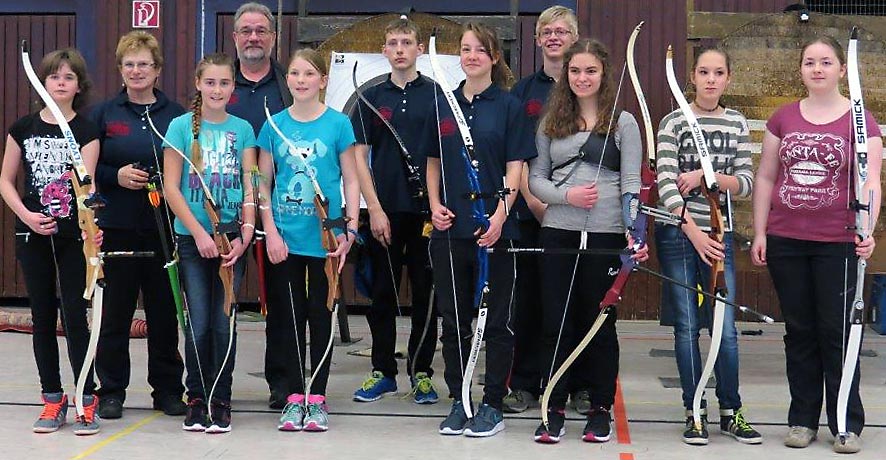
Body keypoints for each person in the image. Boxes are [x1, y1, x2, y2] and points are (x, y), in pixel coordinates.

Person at [751, 36, 882, 454]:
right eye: (810, 62)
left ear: (842, 70)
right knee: (801, 331)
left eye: (826, 62)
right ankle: (802, 420)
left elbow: (872, 182)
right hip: (787, 239)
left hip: (838, 242)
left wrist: (868, 229)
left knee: (839, 333)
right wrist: (760, 232)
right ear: (801, 70)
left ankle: (846, 422)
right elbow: (767, 177)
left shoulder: (863, 121)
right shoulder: (783, 118)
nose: (818, 69)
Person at [529, 39, 647, 444]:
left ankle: (599, 408)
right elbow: (536, 180)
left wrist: (634, 229)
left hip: (605, 232)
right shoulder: (550, 122)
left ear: (603, 74)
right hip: (559, 230)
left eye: (590, 71)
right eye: (575, 71)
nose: (582, 78)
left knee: (599, 322)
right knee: (556, 321)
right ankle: (553, 406)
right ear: (567, 74)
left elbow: (632, 182)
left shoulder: (623, 122)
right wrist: (567, 197)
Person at [425, 22, 533, 438]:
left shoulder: (508, 106)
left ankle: (491, 403)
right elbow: (433, 161)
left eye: (479, 50)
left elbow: (515, 166)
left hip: (496, 231)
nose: (471, 56)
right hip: (450, 231)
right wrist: (435, 206)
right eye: (465, 49)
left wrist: (501, 215)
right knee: (453, 320)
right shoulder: (444, 105)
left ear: (494, 57)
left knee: (497, 321)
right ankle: (460, 398)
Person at [656, 47, 762, 446]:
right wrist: (692, 231)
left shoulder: (735, 123)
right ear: (693, 76)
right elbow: (666, 182)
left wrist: (707, 174)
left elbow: (746, 182)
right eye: (704, 71)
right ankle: (694, 408)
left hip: (720, 235)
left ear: (728, 78)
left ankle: (731, 411)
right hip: (680, 234)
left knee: (725, 329)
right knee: (686, 328)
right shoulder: (673, 122)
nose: (711, 79)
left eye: (719, 73)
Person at [256, 48, 360, 432]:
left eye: (309, 73)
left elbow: (350, 178)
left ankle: (317, 397)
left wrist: (348, 228)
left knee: (321, 316)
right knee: (288, 318)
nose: (300, 80)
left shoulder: (338, 125)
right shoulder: (273, 126)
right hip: (285, 237)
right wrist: (270, 232)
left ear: (322, 80)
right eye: (295, 73)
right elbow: (262, 183)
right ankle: (293, 397)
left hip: (326, 237)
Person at [0, 48, 102, 435]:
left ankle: (84, 400)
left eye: (68, 77)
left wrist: (91, 224)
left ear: (79, 86)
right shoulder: (22, 128)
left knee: (77, 317)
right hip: (32, 230)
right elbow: (5, 181)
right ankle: (51, 400)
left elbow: (86, 186)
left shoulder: (87, 130)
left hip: (73, 232)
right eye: (54, 76)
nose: (61, 82)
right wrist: (26, 215)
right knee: (42, 317)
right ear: (43, 83)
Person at [90, 30, 186, 420]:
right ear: (120, 69)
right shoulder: (103, 114)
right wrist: (116, 177)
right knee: (116, 314)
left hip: (163, 228)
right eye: (129, 64)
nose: (136, 70)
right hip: (117, 228)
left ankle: (167, 390)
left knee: (164, 314)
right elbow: (87, 166)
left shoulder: (176, 115)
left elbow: (185, 165)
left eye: (143, 63)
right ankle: (111, 391)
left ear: (157, 69)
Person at [162, 53, 256, 434]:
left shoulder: (244, 129)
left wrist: (247, 232)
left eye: (225, 83)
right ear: (199, 84)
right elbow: (171, 187)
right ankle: (197, 397)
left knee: (224, 324)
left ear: (233, 87)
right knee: (198, 324)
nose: (218, 89)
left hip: (232, 240)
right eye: (211, 82)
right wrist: (198, 233)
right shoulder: (181, 127)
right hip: (192, 241)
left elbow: (252, 183)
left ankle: (222, 398)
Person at [350, 15, 439, 405]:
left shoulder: (438, 95)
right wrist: (375, 208)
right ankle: (382, 372)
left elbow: (443, 156)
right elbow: (359, 158)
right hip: (385, 214)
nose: (400, 49)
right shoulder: (372, 97)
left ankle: (421, 372)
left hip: (426, 216)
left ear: (419, 48)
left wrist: (437, 206)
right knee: (382, 296)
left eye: (407, 42)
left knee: (426, 297)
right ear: (384, 50)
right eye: (393, 43)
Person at [504, 4, 580, 415]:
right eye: (546, 31)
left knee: (576, 300)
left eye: (562, 31)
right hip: (530, 212)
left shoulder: (586, 86)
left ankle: (581, 384)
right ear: (537, 40)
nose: (554, 37)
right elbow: (517, 153)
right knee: (528, 301)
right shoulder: (521, 92)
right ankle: (525, 385)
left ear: (574, 37)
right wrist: (535, 201)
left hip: (579, 214)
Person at [226, 1, 295, 410]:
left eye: (261, 30)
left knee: (282, 304)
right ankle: (217, 384)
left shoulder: (290, 85)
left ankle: (282, 385)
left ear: (273, 37)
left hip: (279, 210)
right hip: (225, 211)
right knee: (224, 303)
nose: (253, 37)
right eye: (246, 30)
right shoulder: (217, 83)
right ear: (235, 37)